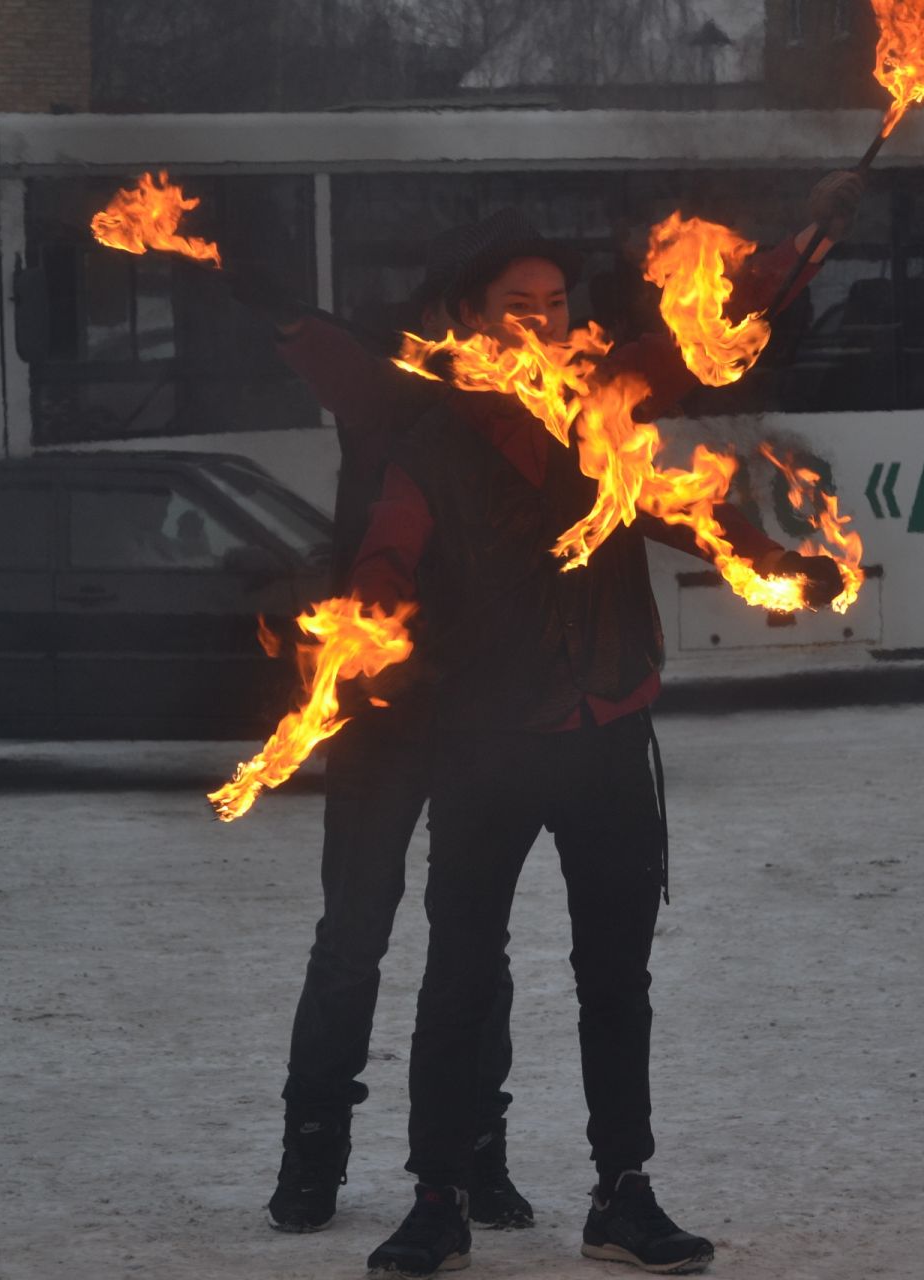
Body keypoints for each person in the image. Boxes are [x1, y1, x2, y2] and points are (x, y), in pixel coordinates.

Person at [353, 171, 864, 1277]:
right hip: (487, 743)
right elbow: (390, 544)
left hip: (606, 732)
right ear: (472, 319)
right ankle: (437, 1197)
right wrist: (368, 617)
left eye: (549, 301)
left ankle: (621, 1190)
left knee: (614, 977)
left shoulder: (603, 403)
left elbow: (697, 413)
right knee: (458, 974)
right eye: (515, 304)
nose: (538, 318)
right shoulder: (434, 438)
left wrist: (774, 562)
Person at [240, 235, 532, 1235]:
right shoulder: (387, 396)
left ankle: (474, 1153)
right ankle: (312, 1154)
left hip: (490, 718)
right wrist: (208, 236)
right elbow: (292, 323)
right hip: (381, 713)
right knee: (352, 937)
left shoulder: (541, 413)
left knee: (477, 948)